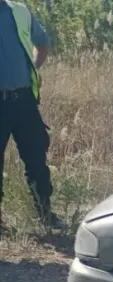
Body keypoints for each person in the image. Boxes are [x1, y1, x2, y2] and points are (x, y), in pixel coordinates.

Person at [0, 0, 62, 233]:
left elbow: (42, 43)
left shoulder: (19, 11)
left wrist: (32, 71)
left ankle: (45, 214)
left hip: (25, 101)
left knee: (36, 157)